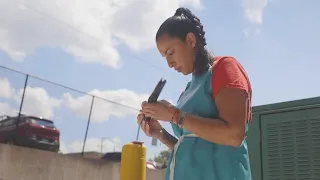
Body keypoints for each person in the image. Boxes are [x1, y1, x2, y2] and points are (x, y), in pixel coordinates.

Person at [137, 7, 252, 180]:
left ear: (190, 40)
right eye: (164, 57)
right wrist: (159, 133)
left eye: (170, 52)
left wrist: (175, 115)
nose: (169, 63)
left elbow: (234, 135)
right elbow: (191, 148)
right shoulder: (187, 91)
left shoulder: (225, 68)